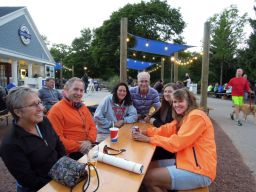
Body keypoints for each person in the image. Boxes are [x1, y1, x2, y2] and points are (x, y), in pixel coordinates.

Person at [132, 88, 217, 191]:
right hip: (185, 161)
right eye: (175, 102)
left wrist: (149, 139)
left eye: (180, 101)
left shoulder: (196, 116)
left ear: (189, 101)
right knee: (146, 167)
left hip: (200, 170)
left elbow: (177, 143)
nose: (177, 105)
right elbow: (166, 129)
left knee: (148, 178)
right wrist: (145, 132)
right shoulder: (184, 117)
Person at [0, 87, 66, 192]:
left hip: (60, 175)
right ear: (18, 112)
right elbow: (29, 181)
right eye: (33, 105)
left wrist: (65, 167)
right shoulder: (10, 144)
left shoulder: (43, 121)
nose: (41, 108)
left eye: (40, 102)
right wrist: (57, 184)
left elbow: (58, 144)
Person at [47, 77, 97, 160]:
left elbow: (92, 127)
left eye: (81, 90)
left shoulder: (82, 107)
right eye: (76, 89)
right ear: (66, 90)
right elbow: (57, 139)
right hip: (69, 154)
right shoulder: (56, 110)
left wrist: (89, 141)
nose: (79, 93)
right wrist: (80, 146)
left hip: (88, 146)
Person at [145, 83, 178, 160]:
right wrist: (152, 119)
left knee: (147, 151)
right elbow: (153, 117)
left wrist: (154, 122)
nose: (166, 93)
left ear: (176, 93)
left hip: (168, 146)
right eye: (165, 91)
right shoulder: (165, 105)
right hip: (162, 139)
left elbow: (168, 129)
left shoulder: (176, 108)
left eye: (170, 91)